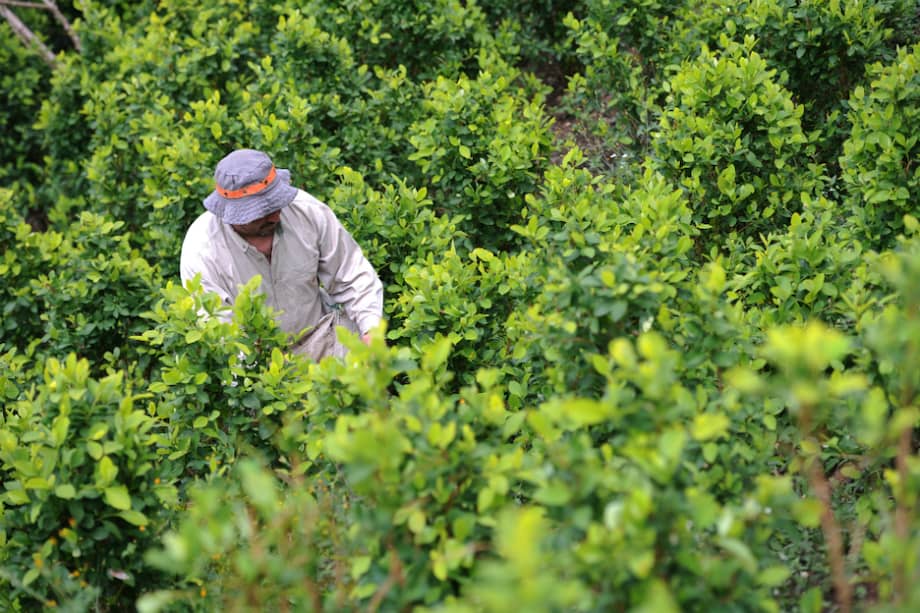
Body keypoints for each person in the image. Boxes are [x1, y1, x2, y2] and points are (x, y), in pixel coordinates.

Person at [180, 148, 383, 354]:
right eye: (262, 212)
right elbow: (220, 333)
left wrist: (371, 330)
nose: (275, 216)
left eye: (277, 204)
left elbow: (351, 275)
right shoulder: (202, 250)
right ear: (232, 214)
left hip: (322, 338)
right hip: (255, 361)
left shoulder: (307, 211)